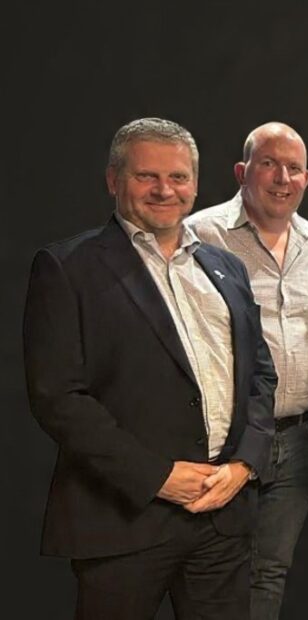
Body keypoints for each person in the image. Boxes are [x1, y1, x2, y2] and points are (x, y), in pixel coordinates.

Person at [22, 117, 276, 619]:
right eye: (147, 177)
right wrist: (156, 476)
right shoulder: (67, 268)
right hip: (122, 519)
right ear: (114, 181)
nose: (165, 190)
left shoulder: (226, 269)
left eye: (179, 177)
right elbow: (58, 397)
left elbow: (260, 377)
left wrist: (245, 464)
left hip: (222, 517)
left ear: (196, 184)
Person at [186, 121, 308, 618]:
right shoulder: (200, 234)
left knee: (271, 570)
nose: (282, 178)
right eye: (269, 163)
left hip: (298, 439)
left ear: (307, 179)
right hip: (229, 437)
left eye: (294, 168)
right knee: (217, 571)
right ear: (242, 171)